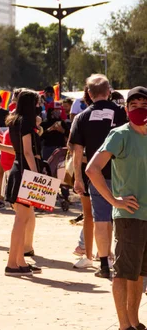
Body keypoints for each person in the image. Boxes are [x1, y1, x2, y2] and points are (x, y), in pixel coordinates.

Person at [86, 86, 147, 330]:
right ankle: (124, 325)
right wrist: (114, 201)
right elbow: (92, 169)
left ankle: (134, 321)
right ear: (126, 109)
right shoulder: (120, 135)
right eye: (132, 105)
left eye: (143, 105)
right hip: (129, 215)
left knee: (139, 273)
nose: (138, 109)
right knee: (124, 272)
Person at [70, 74, 127, 276]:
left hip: (96, 175)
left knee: (101, 218)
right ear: (108, 91)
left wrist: (77, 178)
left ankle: (104, 264)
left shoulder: (82, 117)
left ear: (89, 93)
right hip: (123, 174)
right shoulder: (121, 112)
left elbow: (77, 151)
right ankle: (120, 260)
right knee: (124, 216)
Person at [4, 89, 42, 276]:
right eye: (37, 102)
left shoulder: (14, 120)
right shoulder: (26, 122)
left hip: (17, 169)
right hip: (25, 171)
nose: (39, 105)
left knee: (22, 219)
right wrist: (37, 176)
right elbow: (28, 151)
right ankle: (13, 262)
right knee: (21, 220)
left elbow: (20, 149)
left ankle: (18, 260)